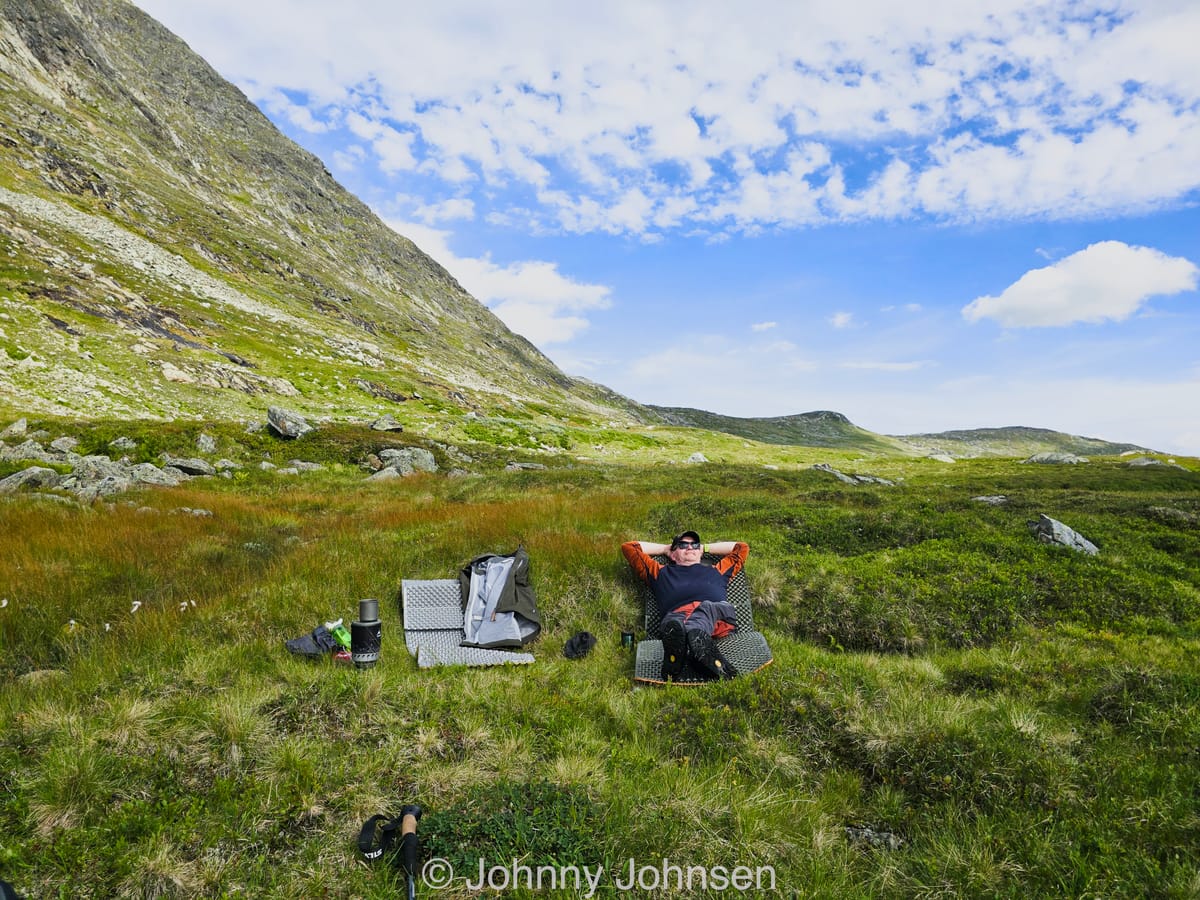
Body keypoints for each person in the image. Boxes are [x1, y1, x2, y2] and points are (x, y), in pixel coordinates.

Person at [621, 531, 748, 680]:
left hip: (716, 615)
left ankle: (680, 655)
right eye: (682, 545)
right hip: (678, 617)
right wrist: (664, 549)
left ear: (700, 552)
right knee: (673, 624)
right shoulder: (660, 572)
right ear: (673, 554)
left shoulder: (717, 571)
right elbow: (629, 547)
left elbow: (741, 548)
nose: (690, 548)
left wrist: (705, 547)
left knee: (704, 610)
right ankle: (702, 655)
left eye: (694, 545)